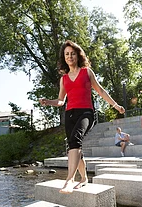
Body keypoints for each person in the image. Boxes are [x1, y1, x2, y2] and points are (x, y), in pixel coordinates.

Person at [39, 40, 125, 193]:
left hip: (86, 112)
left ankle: (70, 179)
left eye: (72, 53)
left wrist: (116, 106)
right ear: (64, 57)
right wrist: (48, 101)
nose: (70, 56)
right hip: (70, 114)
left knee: (76, 139)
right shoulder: (63, 79)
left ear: (78, 55)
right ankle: (84, 178)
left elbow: (101, 91)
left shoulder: (87, 72)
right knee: (73, 145)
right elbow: (61, 101)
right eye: (67, 54)